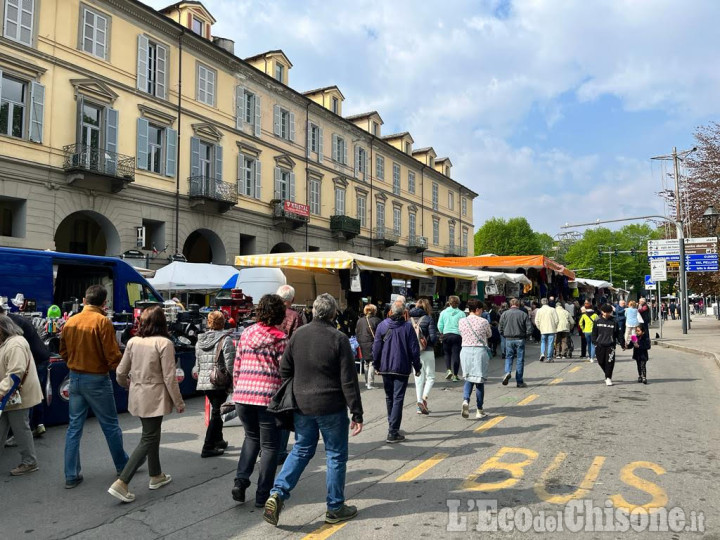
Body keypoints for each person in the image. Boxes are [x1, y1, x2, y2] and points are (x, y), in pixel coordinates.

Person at [264, 293, 363, 527]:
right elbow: (348, 380)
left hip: (302, 405)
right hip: (331, 405)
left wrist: (299, 387)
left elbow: (284, 369)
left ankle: (277, 493)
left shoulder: (298, 335)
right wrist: (356, 412)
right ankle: (335, 507)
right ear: (332, 314)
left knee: (301, 449)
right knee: (336, 454)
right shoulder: (338, 338)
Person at [108, 306, 185, 503]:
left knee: (151, 433)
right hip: (155, 395)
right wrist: (179, 401)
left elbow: (120, 372)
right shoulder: (165, 343)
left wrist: (128, 386)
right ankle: (122, 482)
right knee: (149, 436)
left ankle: (156, 474)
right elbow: (169, 377)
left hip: (137, 393)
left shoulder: (133, 342)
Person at [61, 285, 128, 489]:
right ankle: (123, 466)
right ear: (104, 303)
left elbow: (63, 350)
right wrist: (121, 371)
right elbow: (112, 354)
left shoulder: (70, 321)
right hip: (96, 378)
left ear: (84, 300)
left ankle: (71, 474)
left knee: (74, 427)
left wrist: (74, 363)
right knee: (110, 425)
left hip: (75, 377)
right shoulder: (102, 321)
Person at [232, 294, 287, 507]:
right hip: (267, 397)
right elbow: (285, 372)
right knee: (270, 446)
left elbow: (237, 365)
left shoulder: (246, 334)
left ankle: (241, 480)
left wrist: (238, 388)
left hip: (243, 396)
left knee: (251, 438)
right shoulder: (280, 339)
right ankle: (263, 494)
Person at [372, 299, 421, 443]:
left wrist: (376, 365)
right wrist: (417, 367)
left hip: (385, 367)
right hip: (401, 367)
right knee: (398, 398)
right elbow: (414, 349)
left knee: (390, 397)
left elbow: (376, 348)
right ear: (405, 312)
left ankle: (392, 425)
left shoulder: (382, 325)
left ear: (391, 311)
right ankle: (393, 431)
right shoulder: (407, 327)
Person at [0, 314, 42, 476]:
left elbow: (15, 374)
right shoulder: (9, 342)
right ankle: (29, 461)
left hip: (17, 395)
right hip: (10, 395)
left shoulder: (15, 344)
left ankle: (29, 462)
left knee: (20, 429)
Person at [0, 303, 50, 439]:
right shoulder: (13, 318)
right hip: (38, 357)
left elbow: (14, 349)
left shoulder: (11, 323)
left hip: (36, 360)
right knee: (36, 393)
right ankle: (39, 424)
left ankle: (23, 431)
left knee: (28, 396)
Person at [195, 311, 236, 457]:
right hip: (219, 381)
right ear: (223, 322)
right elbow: (231, 365)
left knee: (216, 410)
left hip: (205, 381)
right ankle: (208, 446)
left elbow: (198, 363)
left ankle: (218, 440)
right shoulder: (226, 340)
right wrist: (233, 384)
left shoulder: (200, 340)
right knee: (217, 413)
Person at [275, 285, 304, 465]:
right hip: (286, 367)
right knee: (284, 409)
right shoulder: (295, 316)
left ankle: (268, 447)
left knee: (269, 409)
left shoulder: (269, 312)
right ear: (292, 299)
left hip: (267, 366)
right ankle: (279, 451)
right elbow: (298, 344)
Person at [458, 300, 492, 420]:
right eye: (481, 310)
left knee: (468, 378)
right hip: (479, 352)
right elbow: (489, 334)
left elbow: (461, 333)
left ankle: (466, 400)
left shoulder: (462, 321)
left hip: (465, 351)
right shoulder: (484, 321)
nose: (482, 312)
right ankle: (479, 409)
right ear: (477, 309)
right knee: (479, 381)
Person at [409, 298, 438, 415]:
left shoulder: (409, 320)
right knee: (430, 377)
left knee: (418, 378)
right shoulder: (428, 319)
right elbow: (433, 337)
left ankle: (418, 404)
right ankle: (424, 399)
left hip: (414, 353)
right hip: (428, 350)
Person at [498, 298, 533, 388]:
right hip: (520, 338)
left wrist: (504, 334)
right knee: (520, 360)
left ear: (510, 305)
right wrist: (526, 336)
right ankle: (519, 381)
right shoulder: (523, 314)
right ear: (518, 305)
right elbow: (529, 328)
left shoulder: (504, 314)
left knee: (508, 357)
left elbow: (500, 327)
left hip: (508, 339)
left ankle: (508, 372)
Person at [437, 296, 465, 381]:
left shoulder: (443, 312)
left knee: (447, 353)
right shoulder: (461, 313)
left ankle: (448, 370)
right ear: (458, 303)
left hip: (446, 335)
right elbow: (464, 326)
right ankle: (455, 375)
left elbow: (439, 325)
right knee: (456, 355)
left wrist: (442, 332)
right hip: (457, 336)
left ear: (449, 303)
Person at [591, 304, 619, 386]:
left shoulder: (614, 321)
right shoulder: (597, 321)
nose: (606, 314)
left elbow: (618, 333)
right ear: (602, 312)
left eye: (609, 312)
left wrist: (622, 343)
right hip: (599, 344)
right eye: (605, 312)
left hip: (610, 345)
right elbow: (594, 333)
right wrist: (594, 342)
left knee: (610, 362)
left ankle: (608, 378)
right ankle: (607, 373)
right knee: (601, 362)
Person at [355, 304, 381, 390]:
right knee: (372, 362)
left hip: (362, 343)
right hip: (372, 343)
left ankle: (367, 382)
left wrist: (359, 341)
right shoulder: (377, 320)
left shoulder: (360, 321)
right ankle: (370, 383)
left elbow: (357, 332)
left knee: (366, 361)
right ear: (374, 311)